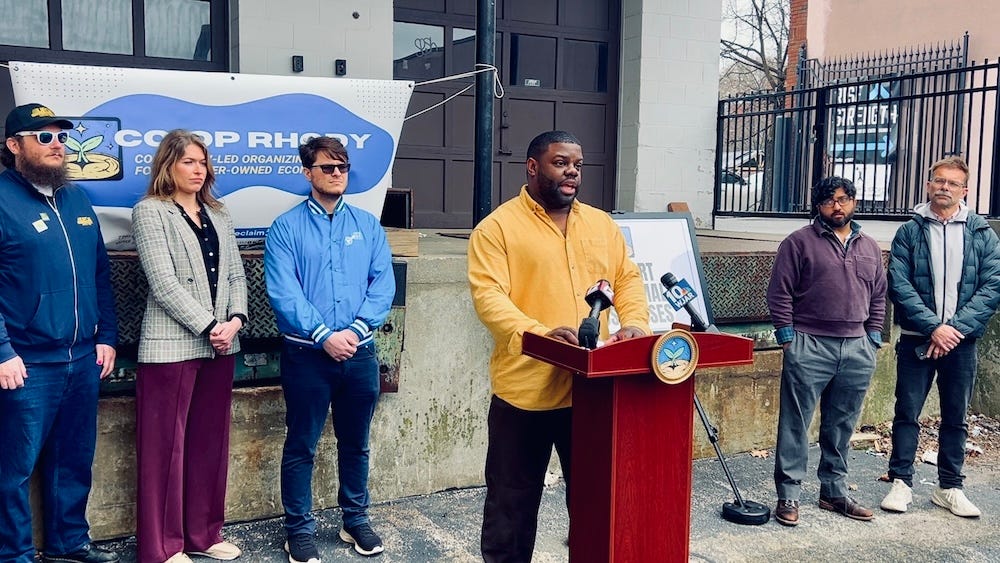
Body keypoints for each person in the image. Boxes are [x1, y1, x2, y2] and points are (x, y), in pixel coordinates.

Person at [467, 130, 650, 562]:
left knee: (595, 502)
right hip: (525, 393)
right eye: (561, 163)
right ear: (533, 167)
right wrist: (539, 334)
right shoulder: (497, 228)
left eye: (577, 165)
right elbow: (489, 298)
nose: (572, 173)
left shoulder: (601, 224)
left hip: (593, 391)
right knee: (510, 507)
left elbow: (626, 279)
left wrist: (635, 325)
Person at [264, 136, 395, 561]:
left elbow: (383, 284)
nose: (337, 174)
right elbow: (284, 291)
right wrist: (324, 335)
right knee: (301, 444)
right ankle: (298, 530)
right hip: (307, 356)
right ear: (308, 173)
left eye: (343, 167)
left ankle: (354, 520)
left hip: (359, 354)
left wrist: (355, 331)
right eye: (327, 167)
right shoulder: (286, 228)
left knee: (356, 443)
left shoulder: (367, 225)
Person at [0, 103, 119, 563]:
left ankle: (68, 541)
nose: (57, 146)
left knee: (73, 458)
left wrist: (106, 336)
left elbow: (99, 274)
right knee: (14, 468)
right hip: (25, 362)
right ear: (15, 146)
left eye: (62, 137)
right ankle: (14, 553)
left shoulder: (76, 199)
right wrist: (2, 351)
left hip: (82, 358)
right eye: (44, 137)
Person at [131, 130, 248, 562]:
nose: (198, 170)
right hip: (171, 345)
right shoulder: (150, 211)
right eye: (188, 162)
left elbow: (236, 274)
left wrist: (235, 321)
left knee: (209, 444)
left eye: (202, 162)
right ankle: (162, 548)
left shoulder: (219, 212)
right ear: (169, 165)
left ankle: (204, 535)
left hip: (222, 344)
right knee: (165, 450)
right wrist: (210, 325)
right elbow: (163, 283)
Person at [879, 156, 1000, 518]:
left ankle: (950, 488)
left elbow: (992, 286)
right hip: (917, 338)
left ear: (965, 191)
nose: (944, 187)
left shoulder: (981, 233)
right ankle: (901, 482)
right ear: (928, 185)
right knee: (907, 412)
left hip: (960, 342)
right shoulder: (909, 232)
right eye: (939, 180)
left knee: (955, 416)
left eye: (952, 183)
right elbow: (899, 284)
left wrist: (954, 329)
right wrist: (934, 327)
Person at [766, 176, 886, 527]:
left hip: (857, 347)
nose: (837, 206)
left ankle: (834, 491)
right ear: (818, 205)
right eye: (830, 200)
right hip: (810, 344)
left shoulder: (869, 247)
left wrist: (872, 337)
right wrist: (788, 339)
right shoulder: (798, 242)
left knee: (842, 424)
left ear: (854, 203)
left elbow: (879, 295)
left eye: (844, 199)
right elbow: (779, 293)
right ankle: (789, 494)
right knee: (795, 423)